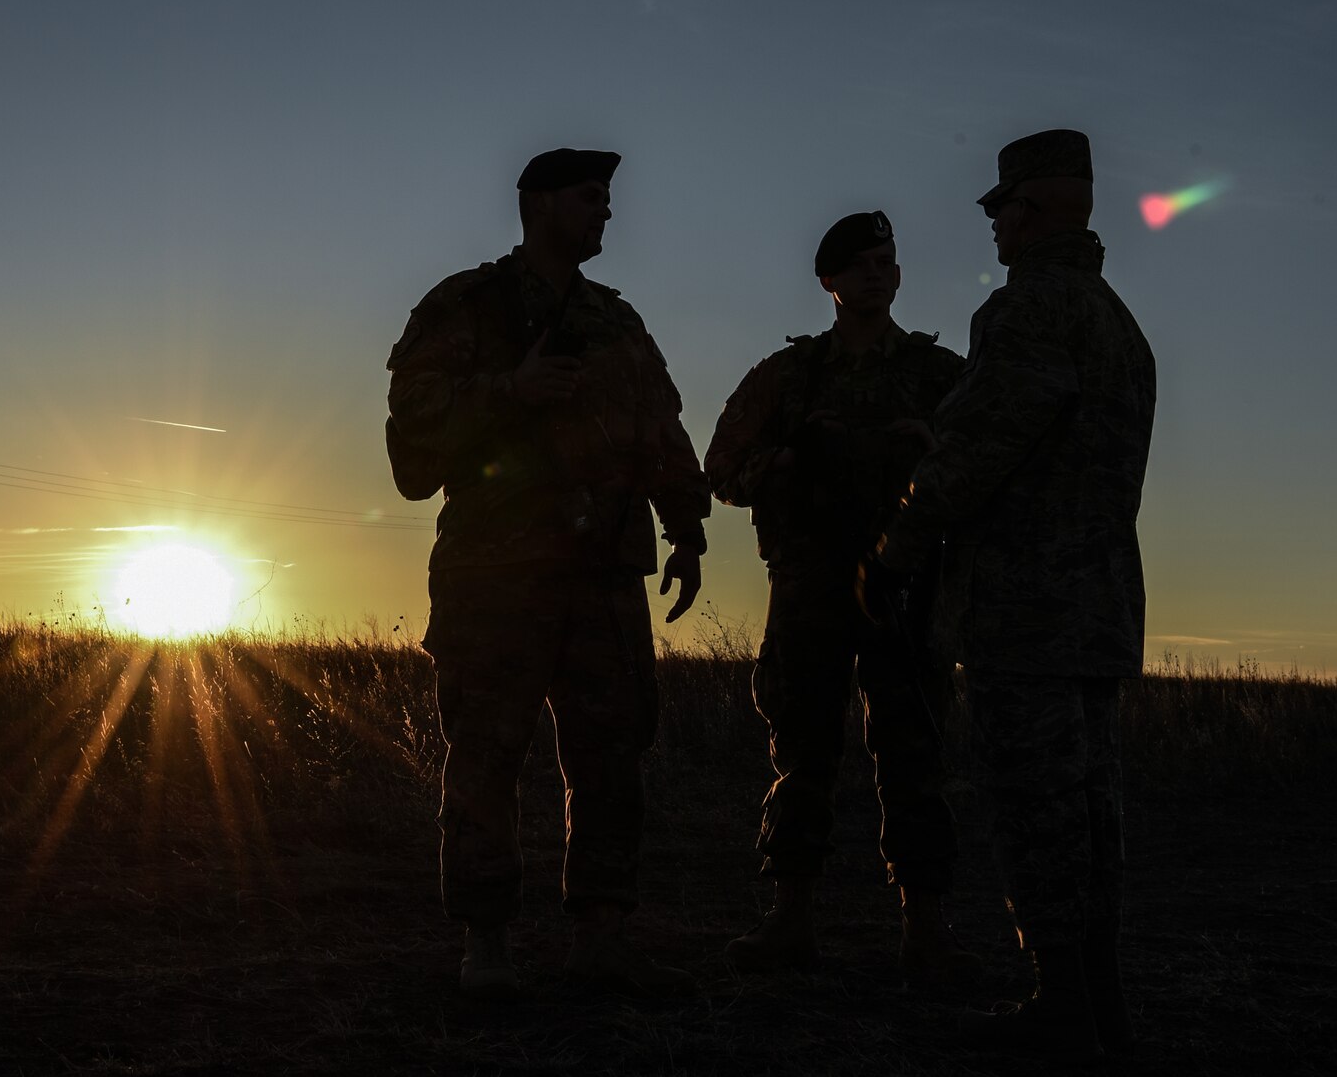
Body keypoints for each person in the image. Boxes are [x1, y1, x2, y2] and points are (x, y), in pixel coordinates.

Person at [384, 147, 711, 999]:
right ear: (537, 205)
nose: (606, 211)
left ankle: (600, 936)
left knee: (611, 755)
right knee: (487, 754)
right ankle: (485, 946)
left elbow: (660, 431)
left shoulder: (617, 322)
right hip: (496, 577)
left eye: (607, 197)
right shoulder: (467, 307)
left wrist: (687, 528)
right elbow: (411, 450)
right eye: (589, 197)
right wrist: (512, 391)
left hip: (604, 576)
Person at [861, 129, 1157, 1057]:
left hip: (1025, 612)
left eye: (1000, 211)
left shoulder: (1030, 310)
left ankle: (1064, 1007)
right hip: (1096, 611)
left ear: (1028, 211)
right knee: (1089, 812)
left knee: (1037, 809)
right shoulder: (1117, 319)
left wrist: (896, 546)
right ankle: (1094, 1002)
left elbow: (978, 449)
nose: (994, 230)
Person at [703, 210, 979, 990]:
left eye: (885, 261)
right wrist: (790, 458)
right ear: (827, 280)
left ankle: (927, 930)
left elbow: (987, 464)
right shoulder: (787, 378)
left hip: (907, 588)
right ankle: (789, 919)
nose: (874, 274)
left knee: (915, 755)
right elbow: (721, 469)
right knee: (803, 754)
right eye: (856, 263)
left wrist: (930, 452)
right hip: (809, 589)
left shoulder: (939, 375)